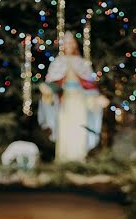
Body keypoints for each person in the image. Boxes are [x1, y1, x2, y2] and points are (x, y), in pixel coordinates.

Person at [38, 32, 109, 163]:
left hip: (80, 101)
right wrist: (48, 90)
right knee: (65, 129)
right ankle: (64, 160)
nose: (69, 46)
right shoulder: (57, 63)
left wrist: (96, 98)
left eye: (71, 43)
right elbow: (52, 85)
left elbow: (90, 86)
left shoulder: (82, 63)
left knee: (79, 128)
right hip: (64, 102)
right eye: (66, 43)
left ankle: (79, 159)